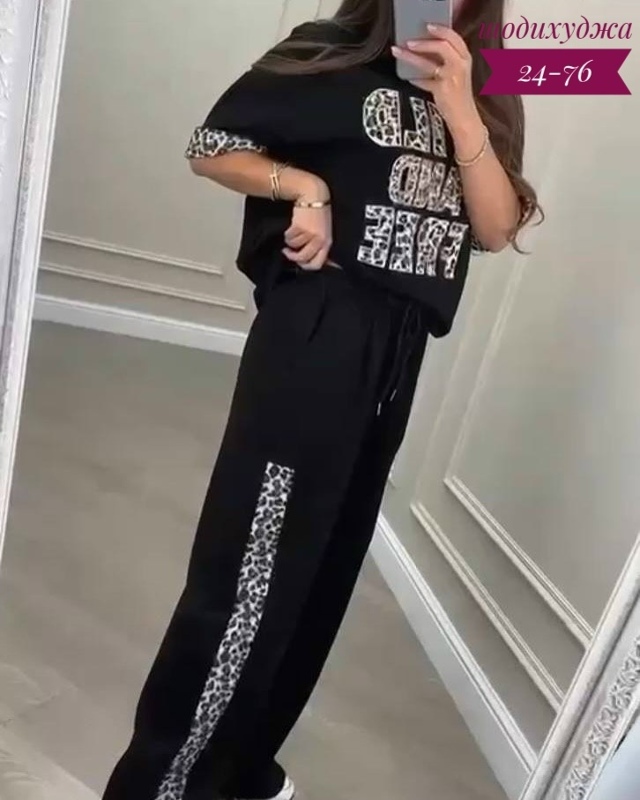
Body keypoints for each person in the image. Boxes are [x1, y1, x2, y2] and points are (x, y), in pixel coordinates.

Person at [103, 0, 541, 798]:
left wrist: (459, 107)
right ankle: (162, 783)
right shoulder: (330, 52)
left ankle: (239, 770)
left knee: (321, 577)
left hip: (399, 355)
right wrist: (303, 185)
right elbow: (212, 146)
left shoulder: (488, 82)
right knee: (251, 575)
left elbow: (494, 225)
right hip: (320, 331)